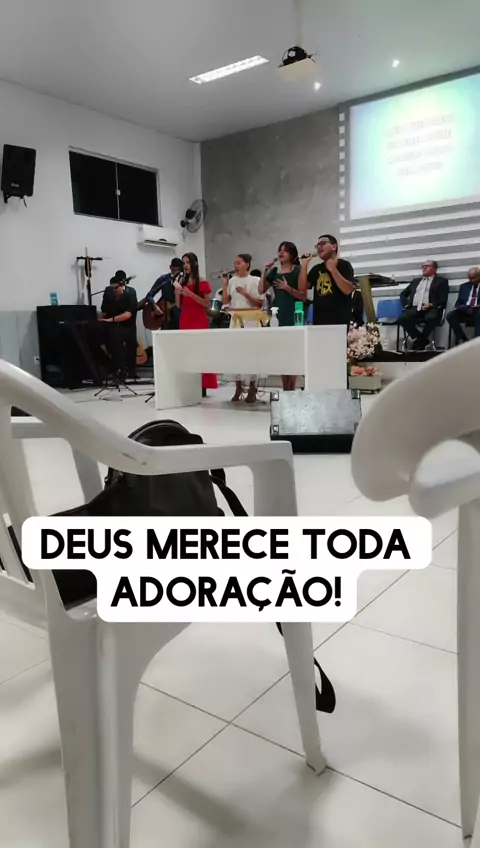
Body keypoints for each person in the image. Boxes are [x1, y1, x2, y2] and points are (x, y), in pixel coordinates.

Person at [260, 241, 307, 391]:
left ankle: (292, 387)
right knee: (281, 351)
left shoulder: (298, 270)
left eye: (285, 250)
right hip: (277, 313)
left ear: (292, 254)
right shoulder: (274, 271)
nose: (281, 253)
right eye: (280, 250)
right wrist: (264, 271)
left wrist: (287, 288)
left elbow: (303, 295)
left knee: (293, 351)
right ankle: (285, 387)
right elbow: (261, 290)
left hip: (294, 312)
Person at [222, 253, 263, 403]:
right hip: (236, 321)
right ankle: (238, 387)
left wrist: (246, 294)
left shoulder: (255, 280)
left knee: (252, 354)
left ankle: (252, 388)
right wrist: (225, 284)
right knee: (235, 354)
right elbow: (226, 302)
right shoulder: (232, 281)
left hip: (251, 321)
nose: (236, 266)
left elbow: (259, 303)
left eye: (239, 263)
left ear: (247, 264)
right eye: (235, 263)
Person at [176, 252, 218, 396]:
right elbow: (179, 305)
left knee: (201, 352)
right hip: (185, 318)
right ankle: (189, 383)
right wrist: (177, 292)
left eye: (187, 262)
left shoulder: (202, 281)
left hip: (198, 319)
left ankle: (203, 385)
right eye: (183, 263)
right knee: (187, 352)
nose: (185, 266)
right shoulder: (183, 281)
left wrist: (191, 294)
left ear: (194, 263)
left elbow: (207, 303)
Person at [300, 235, 355, 325]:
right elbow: (302, 289)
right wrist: (304, 264)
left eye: (323, 243)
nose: (319, 247)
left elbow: (348, 290)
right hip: (319, 322)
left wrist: (333, 269)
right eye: (317, 245)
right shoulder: (316, 269)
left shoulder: (344, 265)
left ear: (334, 246)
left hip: (340, 323)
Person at [399, 261, 449, 350]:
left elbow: (443, 299)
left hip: (431, 308)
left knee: (431, 317)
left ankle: (420, 342)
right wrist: (406, 305)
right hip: (415, 308)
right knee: (402, 318)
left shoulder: (442, 281)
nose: (424, 268)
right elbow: (403, 294)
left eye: (427, 266)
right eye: (423, 266)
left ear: (435, 269)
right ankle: (421, 340)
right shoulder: (415, 281)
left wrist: (431, 304)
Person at [98, 275, 138, 376]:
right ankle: (108, 365)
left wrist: (110, 320)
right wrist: (100, 322)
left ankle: (120, 368)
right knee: (93, 337)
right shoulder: (109, 296)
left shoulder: (130, 296)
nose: (114, 290)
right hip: (111, 326)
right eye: (112, 288)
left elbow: (127, 314)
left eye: (116, 288)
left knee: (114, 335)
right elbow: (104, 312)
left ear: (122, 286)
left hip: (127, 327)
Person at [139, 258, 183, 329]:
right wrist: (155, 307)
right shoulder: (164, 279)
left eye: (177, 270)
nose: (175, 273)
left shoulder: (185, 281)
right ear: (170, 268)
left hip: (180, 317)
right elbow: (149, 296)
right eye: (173, 270)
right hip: (165, 317)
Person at [447, 266, 480, 343]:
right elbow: (459, 301)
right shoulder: (464, 286)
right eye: (470, 278)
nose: (471, 280)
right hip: (465, 309)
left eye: (474, 278)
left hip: (477, 310)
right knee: (450, 315)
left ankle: (477, 341)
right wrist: (458, 307)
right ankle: (463, 339)